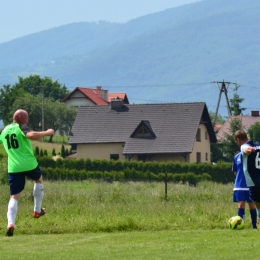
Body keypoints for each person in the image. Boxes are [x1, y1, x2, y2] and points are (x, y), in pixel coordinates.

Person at [0, 109, 54, 236]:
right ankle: (37, 210)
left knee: (14, 196)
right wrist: (47, 132)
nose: (27, 120)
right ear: (19, 117)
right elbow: (30, 135)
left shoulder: (5, 131)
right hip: (29, 164)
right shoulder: (21, 127)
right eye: (26, 117)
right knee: (39, 179)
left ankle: (10, 223)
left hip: (14, 168)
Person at [234, 130, 260, 223]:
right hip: (255, 177)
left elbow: (246, 150)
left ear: (238, 140)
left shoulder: (244, 146)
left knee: (254, 200)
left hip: (253, 179)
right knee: (255, 200)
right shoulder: (258, 144)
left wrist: (249, 150)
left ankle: (257, 221)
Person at [232, 152, 257, 228]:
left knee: (252, 205)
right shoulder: (237, 156)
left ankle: (254, 226)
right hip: (239, 185)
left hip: (251, 185)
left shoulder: (254, 156)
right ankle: (240, 225)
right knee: (241, 204)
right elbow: (235, 171)